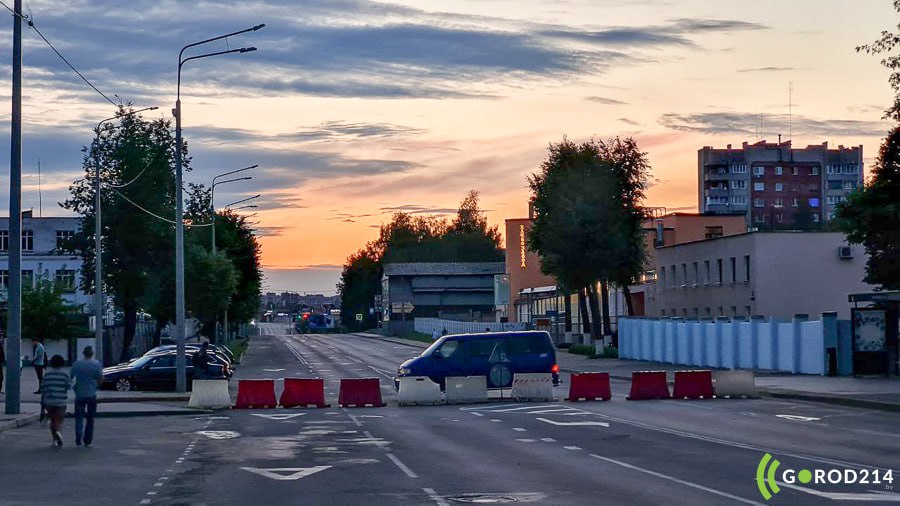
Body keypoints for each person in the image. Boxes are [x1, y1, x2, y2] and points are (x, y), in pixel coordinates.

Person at [70, 346, 102, 447]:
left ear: (83, 353)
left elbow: (71, 377)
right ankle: (87, 440)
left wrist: (74, 387)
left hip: (79, 394)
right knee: (90, 418)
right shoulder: (96, 364)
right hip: (91, 394)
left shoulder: (77, 364)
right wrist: (96, 387)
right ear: (92, 353)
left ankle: (78, 437)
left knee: (79, 417)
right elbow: (100, 378)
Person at [41, 354, 69, 448]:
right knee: (59, 420)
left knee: (53, 419)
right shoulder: (64, 375)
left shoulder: (47, 375)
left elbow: (43, 388)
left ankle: (54, 439)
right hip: (61, 401)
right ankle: (58, 432)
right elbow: (68, 386)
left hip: (49, 402)